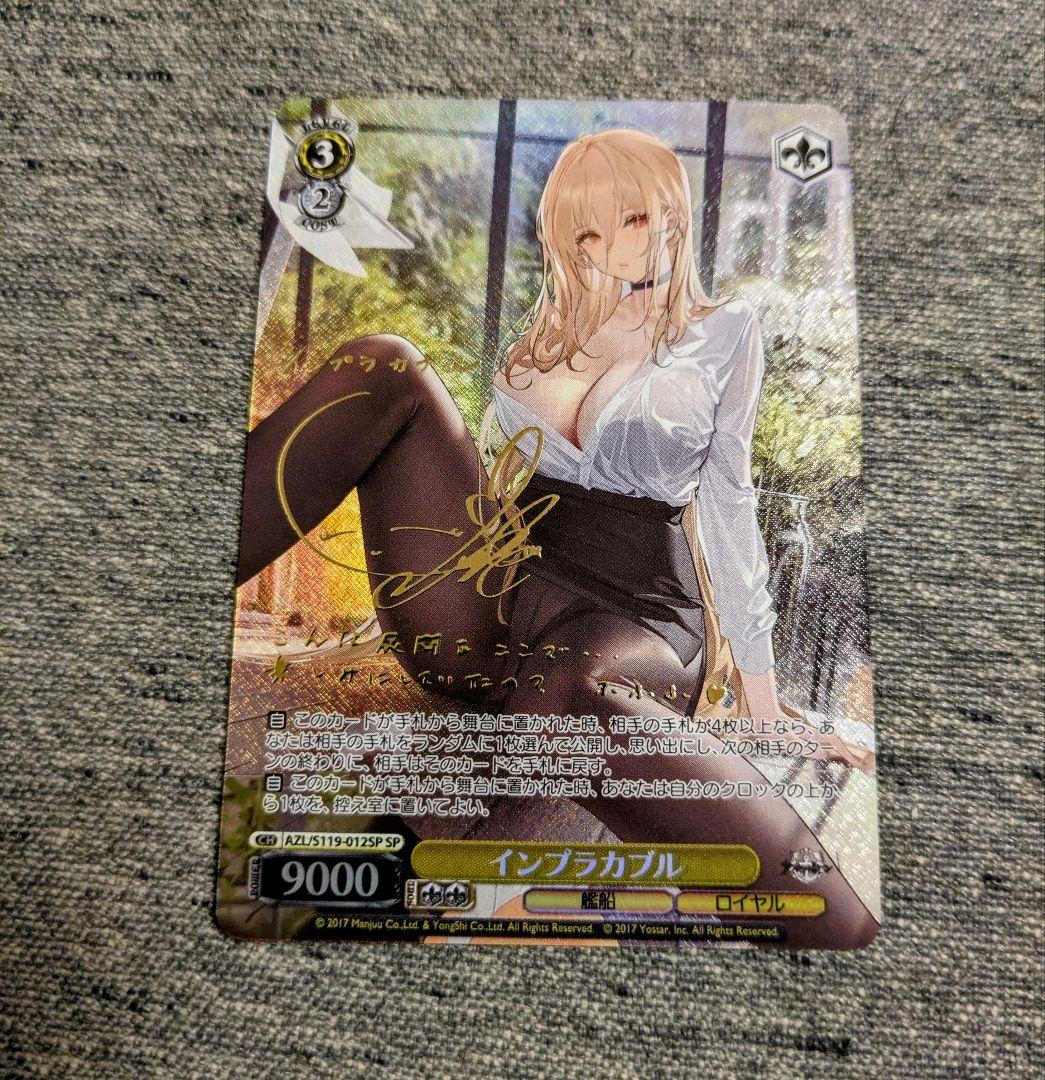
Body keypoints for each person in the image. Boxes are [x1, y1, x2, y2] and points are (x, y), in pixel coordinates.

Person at [236, 129, 879, 947]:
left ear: (674, 212)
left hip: (635, 619)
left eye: (642, 217)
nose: (625, 244)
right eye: (594, 231)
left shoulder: (724, 332)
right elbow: (499, 469)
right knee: (384, 365)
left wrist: (758, 698)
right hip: (500, 594)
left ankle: (841, 934)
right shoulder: (549, 328)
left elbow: (728, 504)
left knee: (560, 694)